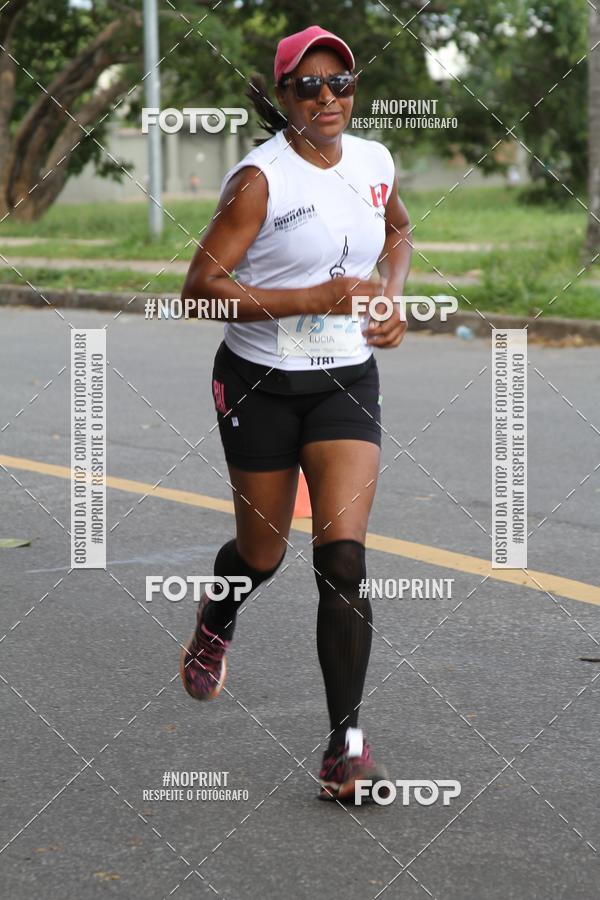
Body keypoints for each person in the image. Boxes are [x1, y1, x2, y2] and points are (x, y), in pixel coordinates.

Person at [179, 24, 412, 803]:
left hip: (345, 381)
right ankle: (219, 613)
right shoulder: (259, 181)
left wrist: (389, 298)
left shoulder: (374, 162)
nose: (327, 97)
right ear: (283, 97)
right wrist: (311, 297)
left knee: (342, 559)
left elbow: (400, 230)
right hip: (259, 383)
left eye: (339, 82)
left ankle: (345, 749)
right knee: (263, 555)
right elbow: (199, 290)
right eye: (308, 85)